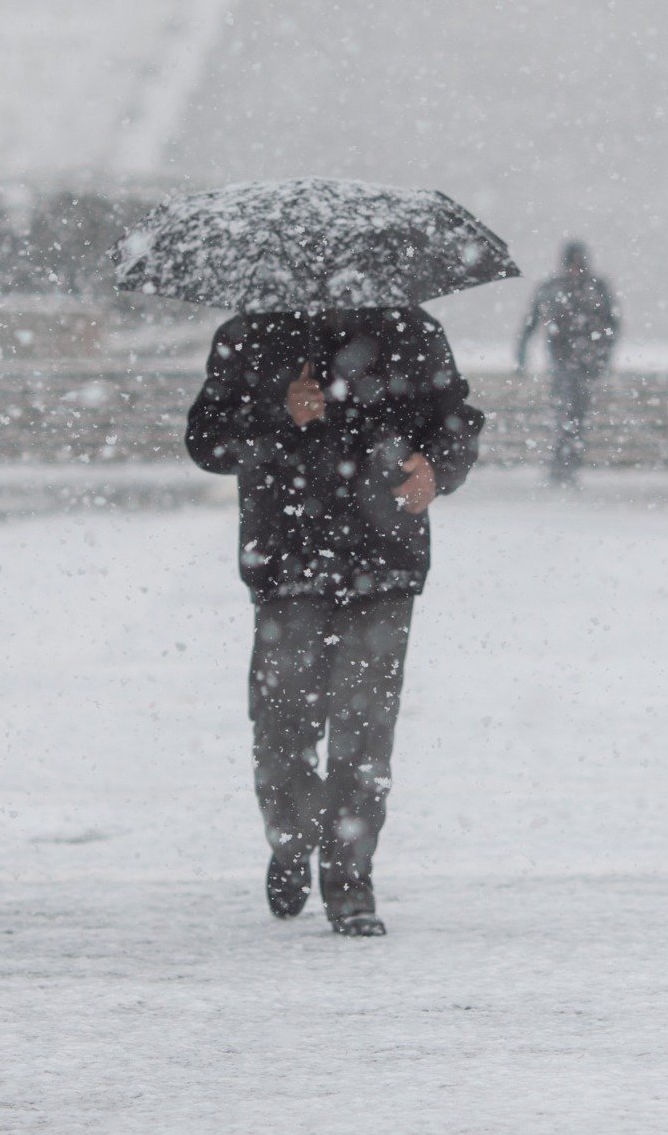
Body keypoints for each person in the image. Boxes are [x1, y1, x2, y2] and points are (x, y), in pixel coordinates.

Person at [186, 306, 483, 937]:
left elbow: (455, 422)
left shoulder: (414, 332)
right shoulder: (252, 333)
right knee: (282, 722)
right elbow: (206, 440)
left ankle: (350, 877)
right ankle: (293, 843)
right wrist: (278, 413)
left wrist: (440, 467)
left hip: (385, 560)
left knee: (365, 732)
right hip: (287, 558)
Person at [515, 240, 619, 483]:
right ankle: (563, 463)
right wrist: (521, 353)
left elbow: (611, 324)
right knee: (567, 411)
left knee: (574, 413)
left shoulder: (594, 288)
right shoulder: (555, 287)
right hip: (564, 359)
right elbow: (532, 321)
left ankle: (567, 462)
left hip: (585, 361)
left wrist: (602, 353)